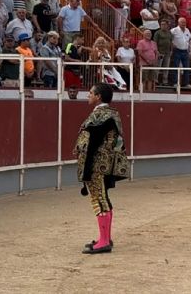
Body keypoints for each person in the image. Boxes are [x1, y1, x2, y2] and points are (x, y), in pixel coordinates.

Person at [75, 83, 130, 254]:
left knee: (98, 200)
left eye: (90, 93)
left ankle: (104, 241)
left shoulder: (101, 116)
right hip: (104, 163)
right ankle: (104, 238)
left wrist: (86, 170)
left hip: (96, 164)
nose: (88, 95)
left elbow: (92, 144)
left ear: (98, 96)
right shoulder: (110, 114)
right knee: (103, 197)